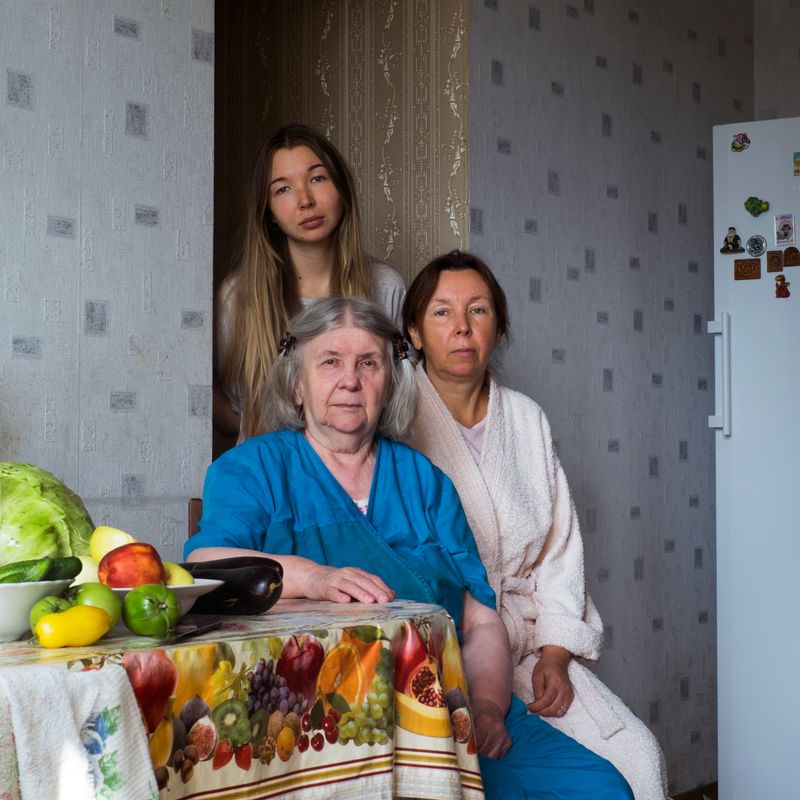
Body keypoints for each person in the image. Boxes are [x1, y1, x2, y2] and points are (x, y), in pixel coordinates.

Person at [187, 297, 633, 800]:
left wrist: (486, 707)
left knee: (601, 787)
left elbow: (481, 618)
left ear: (390, 383)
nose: (350, 380)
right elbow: (205, 566)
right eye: (330, 361)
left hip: (443, 706)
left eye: (369, 363)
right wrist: (312, 577)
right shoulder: (252, 469)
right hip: (306, 724)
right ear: (296, 383)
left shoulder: (426, 482)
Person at [402, 250, 668, 799]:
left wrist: (554, 652)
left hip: (527, 645)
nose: (461, 328)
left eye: (477, 311)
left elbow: (560, 551)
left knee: (638, 756)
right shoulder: (396, 420)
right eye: (442, 313)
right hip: (442, 650)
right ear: (415, 331)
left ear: (498, 327)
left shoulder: (525, 418)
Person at [215, 123, 406, 440]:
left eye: (317, 178)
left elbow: (404, 402)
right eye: (283, 189)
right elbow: (225, 404)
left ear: (341, 189)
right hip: (270, 481)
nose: (305, 200)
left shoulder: (385, 287)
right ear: (269, 212)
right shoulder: (238, 298)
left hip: (359, 481)